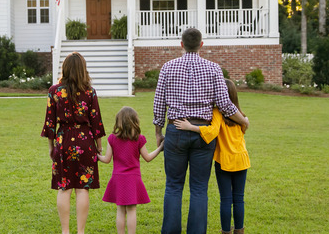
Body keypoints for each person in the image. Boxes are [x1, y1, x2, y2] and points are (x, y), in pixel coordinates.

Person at [153, 27, 250, 234]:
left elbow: (159, 103)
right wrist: (243, 121)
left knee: (173, 186)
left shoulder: (167, 68)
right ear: (201, 45)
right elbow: (225, 104)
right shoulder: (214, 69)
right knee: (199, 188)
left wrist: (158, 132)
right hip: (203, 134)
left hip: (176, 130)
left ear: (181, 44)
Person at [41, 52, 106, 234]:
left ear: (65, 68)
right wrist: (99, 147)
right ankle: (81, 231)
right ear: (83, 69)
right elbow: (96, 122)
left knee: (64, 188)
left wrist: (51, 147)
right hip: (85, 141)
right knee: (82, 188)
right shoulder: (90, 92)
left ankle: (65, 231)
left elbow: (50, 123)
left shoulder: (54, 91)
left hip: (63, 141)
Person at [176, 80, 250, 234]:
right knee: (239, 199)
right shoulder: (240, 114)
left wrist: (191, 127)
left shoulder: (217, 112)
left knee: (226, 199)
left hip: (224, 161)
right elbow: (244, 128)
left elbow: (212, 131)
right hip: (242, 159)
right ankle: (239, 231)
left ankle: (225, 232)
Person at [98, 106, 164, 234]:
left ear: (119, 121)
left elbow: (106, 159)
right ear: (135, 121)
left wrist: (96, 156)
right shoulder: (138, 138)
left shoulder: (112, 138)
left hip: (118, 178)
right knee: (132, 210)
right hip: (133, 179)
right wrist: (160, 147)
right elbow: (148, 158)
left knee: (120, 210)